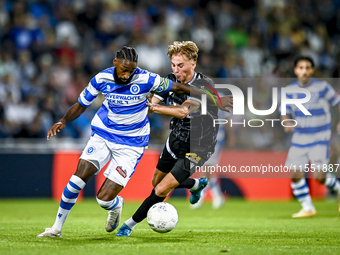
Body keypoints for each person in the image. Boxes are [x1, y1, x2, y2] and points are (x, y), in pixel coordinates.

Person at [37, 46, 232, 238]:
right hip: (105, 134)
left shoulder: (150, 79)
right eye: (124, 70)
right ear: (115, 62)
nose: (127, 75)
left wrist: (216, 100)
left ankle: (121, 214)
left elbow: (181, 97)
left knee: (109, 199)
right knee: (77, 179)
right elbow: (81, 105)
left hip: (141, 144)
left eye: (131, 70)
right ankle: (55, 229)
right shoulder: (101, 78)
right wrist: (63, 120)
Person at [116, 41, 230, 237]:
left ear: (193, 63)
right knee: (156, 182)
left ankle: (129, 225)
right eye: (173, 65)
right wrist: (147, 101)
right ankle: (195, 185)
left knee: (161, 189)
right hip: (176, 139)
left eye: (181, 65)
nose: (176, 71)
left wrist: (155, 108)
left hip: (199, 146)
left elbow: (183, 110)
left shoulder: (204, 85)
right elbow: (153, 100)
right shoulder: (169, 80)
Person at [281, 56, 340, 218]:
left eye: (307, 68)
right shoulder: (289, 91)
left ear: (312, 70)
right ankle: (308, 207)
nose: (304, 71)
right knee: (295, 175)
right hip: (300, 137)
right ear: (295, 70)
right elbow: (283, 113)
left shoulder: (322, 87)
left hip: (320, 137)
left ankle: (338, 188)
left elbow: (338, 102)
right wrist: (286, 123)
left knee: (320, 177)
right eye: (301, 68)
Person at [192, 108, 235, 209]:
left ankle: (205, 195)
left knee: (206, 166)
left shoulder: (219, 98)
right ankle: (217, 195)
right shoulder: (200, 97)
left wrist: (231, 136)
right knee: (205, 167)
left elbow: (226, 119)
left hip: (216, 137)